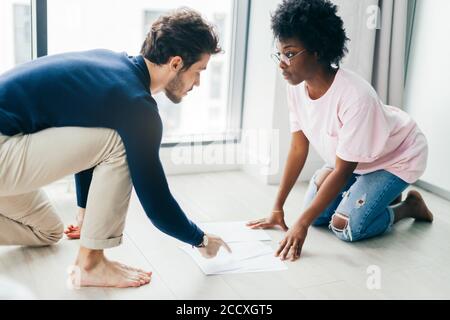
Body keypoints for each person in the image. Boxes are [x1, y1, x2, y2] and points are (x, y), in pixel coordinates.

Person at [0, 8, 230, 288]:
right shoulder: (137, 105)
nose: (198, 83)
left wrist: (85, 210)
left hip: (7, 142)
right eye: (198, 72)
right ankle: (91, 264)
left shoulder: (113, 66)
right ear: (177, 63)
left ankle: (89, 253)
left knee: (46, 231)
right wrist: (200, 239)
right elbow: (156, 203)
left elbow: (82, 131)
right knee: (119, 142)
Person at [247, 0, 433, 261]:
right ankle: (375, 194)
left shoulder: (355, 97)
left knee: (346, 227)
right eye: (279, 54)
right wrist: (277, 208)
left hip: (396, 157)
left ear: (317, 51)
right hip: (357, 161)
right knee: (317, 218)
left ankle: (409, 206)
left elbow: (344, 169)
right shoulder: (295, 88)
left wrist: (300, 224)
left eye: (289, 54)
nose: (281, 63)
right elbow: (298, 148)